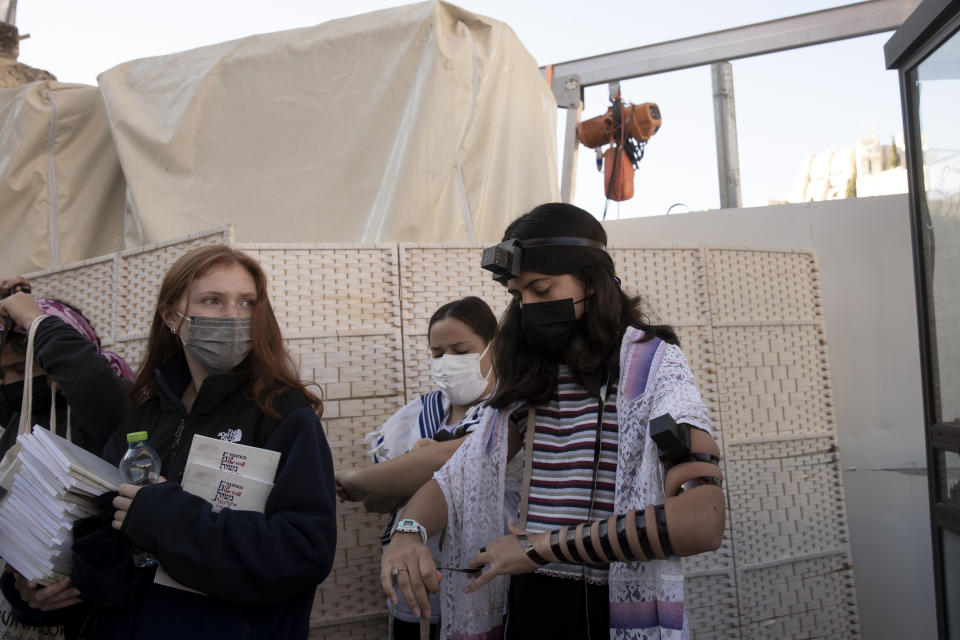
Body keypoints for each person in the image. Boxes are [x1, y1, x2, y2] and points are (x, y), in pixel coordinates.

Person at [380, 203, 726, 640]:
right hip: (532, 606)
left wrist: (542, 546)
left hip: (612, 608)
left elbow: (702, 521)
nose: (527, 306)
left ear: (595, 285)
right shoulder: (533, 378)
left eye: (542, 290)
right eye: (518, 295)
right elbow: (456, 479)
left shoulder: (655, 368)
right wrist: (408, 533)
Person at [6, 246, 338, 639]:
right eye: (212, 300)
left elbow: (304, 552)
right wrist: (43, 586)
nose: (234, 316)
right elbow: (104, 530)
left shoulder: (283, 414)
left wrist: (166, 516)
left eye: (247, 302)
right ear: (170, 316)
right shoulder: (144, 413)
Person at [336, 296, 498, 640]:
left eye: (460, 350)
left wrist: (367, 476)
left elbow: (440, 462)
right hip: (413, 575)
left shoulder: (504, 413)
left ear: (492, 348)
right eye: (438, 354)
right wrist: (407, 468)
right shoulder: (420, 411)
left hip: (485, 574)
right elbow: (373, 502)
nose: (447, 362)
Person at [0, 277, 134, 636]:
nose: (12, 381)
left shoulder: (107, 407)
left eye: (25, 368)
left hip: (108, 615)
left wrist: (35, 321)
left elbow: (88, 378)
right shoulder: (20, 418)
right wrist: (22, 592)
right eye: (4, 373)